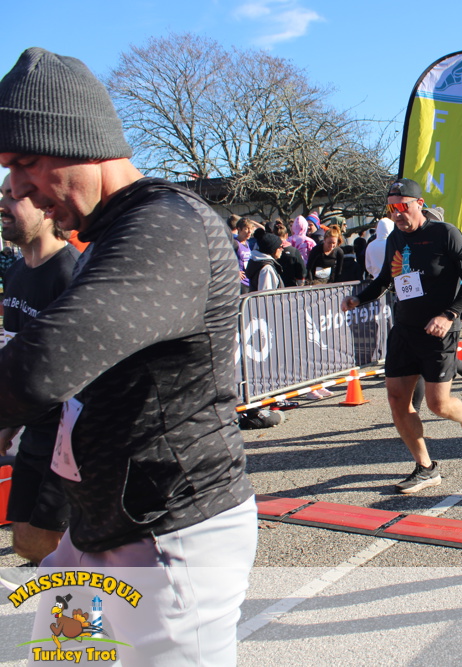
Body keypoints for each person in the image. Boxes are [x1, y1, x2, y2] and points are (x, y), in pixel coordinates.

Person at [0, 47, 256, 664]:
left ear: (82, 142)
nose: (15, 187)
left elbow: (41, 367)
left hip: (170, 535)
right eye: (7, 168)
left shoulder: (167, 225)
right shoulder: (111, 231)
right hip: (99, 528)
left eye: (27, 162)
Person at [341, 178, 462, 493]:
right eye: (391, 208)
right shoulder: (395, 238)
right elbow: (385, 279)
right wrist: (358, 298)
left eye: (402, 206)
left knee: (438, 404)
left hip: (439, 330)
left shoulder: (445, 233)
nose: (396, 214)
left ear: (419, 204)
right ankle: (426, 467)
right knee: (397, 399)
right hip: (405, 329)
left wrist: (449, 315)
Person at [0, 175, 79, 568]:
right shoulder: (16, 272)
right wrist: (9, 423)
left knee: (52, 544)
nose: (3, 205)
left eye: (13, 196)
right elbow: (18, 359)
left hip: (69, 433)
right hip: (33, 428)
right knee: (27, 540)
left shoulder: (71, 273)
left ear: (48, 208)